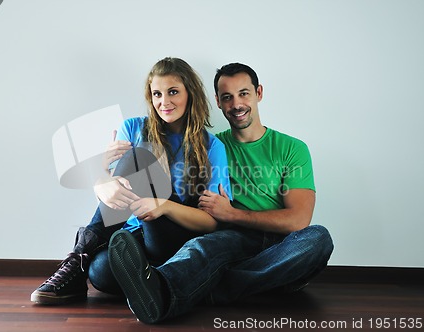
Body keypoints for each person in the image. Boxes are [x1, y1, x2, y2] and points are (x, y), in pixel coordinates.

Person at [107, 62, 334, 324]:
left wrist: (234, 214)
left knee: (318, 239)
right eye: (227, 97)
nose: (236, 104)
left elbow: (298, 221)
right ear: (218, 102)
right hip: (231, 238)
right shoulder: (211, 145)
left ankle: (203, 288)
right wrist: (109, 167)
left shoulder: (292, 148)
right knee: (203, 246)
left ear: (259, 93)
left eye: (244, 93)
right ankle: (173, 293)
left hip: (280, 243)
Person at [30, 57, 232, 304]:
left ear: (191, 94)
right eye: (156, 93)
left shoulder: (212, 146)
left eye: (173, 92)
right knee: (100, 273)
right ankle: (150, 280)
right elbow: (111, 205)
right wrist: (101, 173)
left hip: (173, 237)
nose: (164, 102)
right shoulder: (133, 128)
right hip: (133, 232)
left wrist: (163, 205)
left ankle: (77, 260)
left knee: (139, 156)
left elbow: (211, 223)